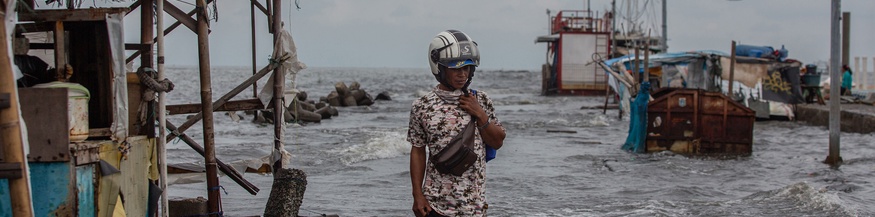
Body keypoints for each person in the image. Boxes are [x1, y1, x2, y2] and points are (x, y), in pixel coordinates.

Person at [409, 30, 507, 217]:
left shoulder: (482, 100)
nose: (462, 74)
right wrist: (417, 195)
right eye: (455, 68)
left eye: (467, 68)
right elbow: (418, 150)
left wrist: (479, 113)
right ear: (440, 68)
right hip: (435, 206)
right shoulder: (422, 106)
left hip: (475, 207)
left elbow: (498, 142)